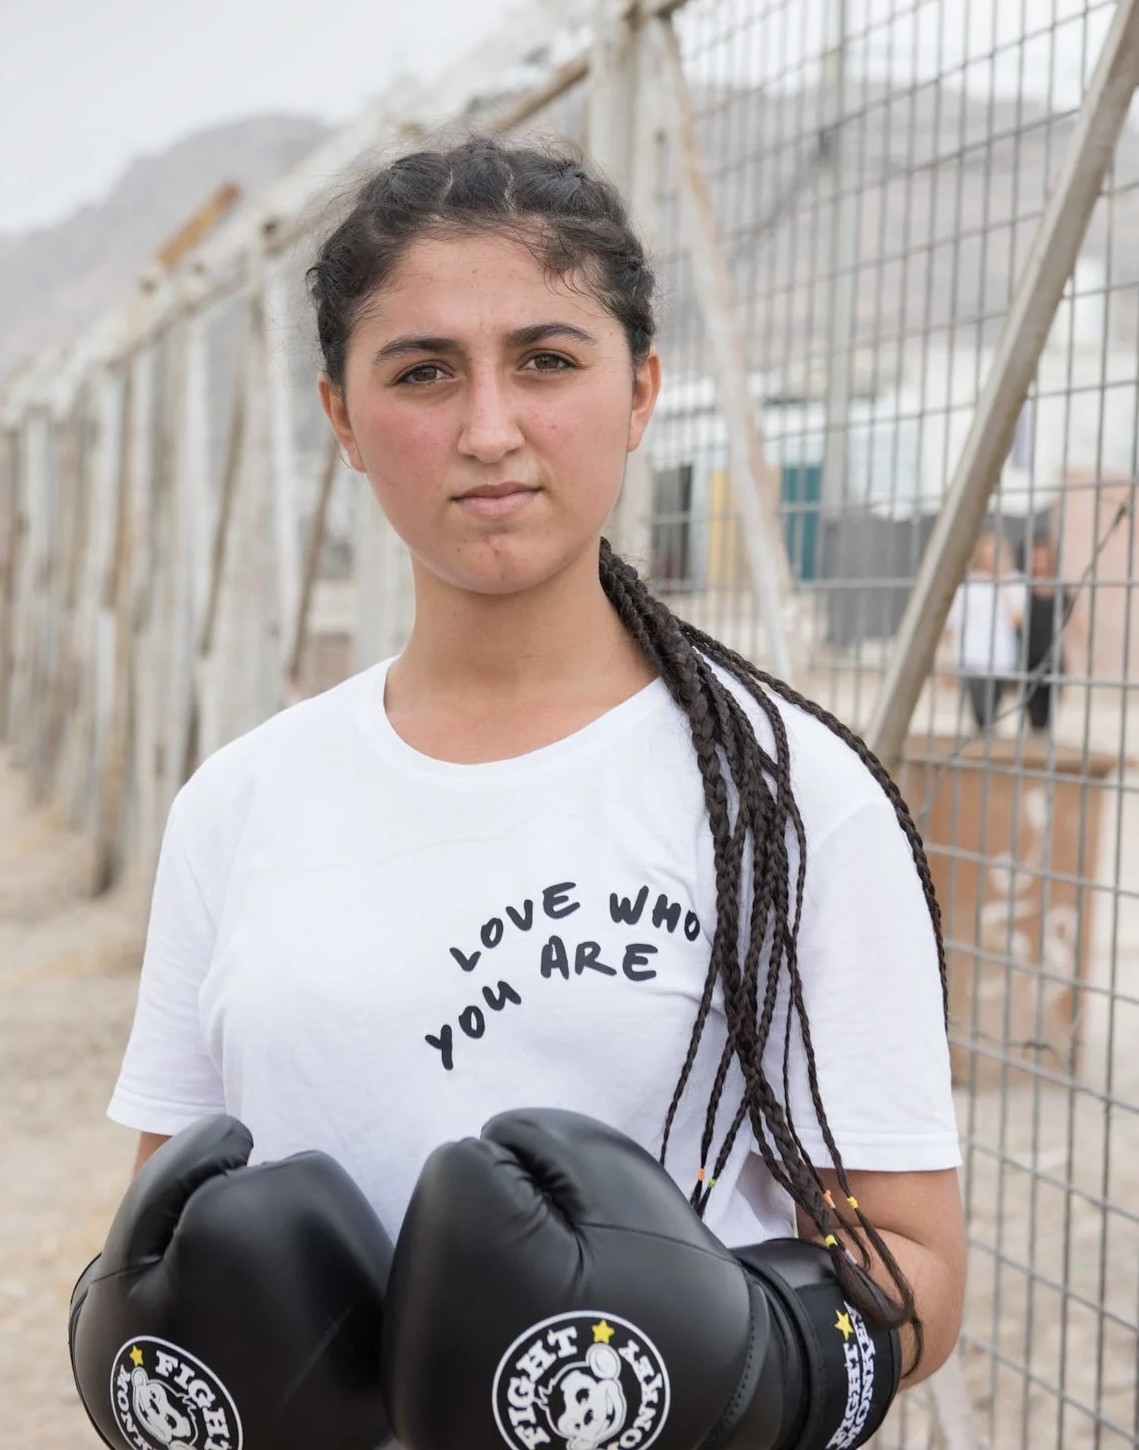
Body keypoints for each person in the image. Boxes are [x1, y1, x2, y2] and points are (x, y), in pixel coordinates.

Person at [103, 137, 965, 1430]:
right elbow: (164, 1227)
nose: (489, 429)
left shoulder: (792, 802)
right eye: (424, 372)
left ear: (638, 393)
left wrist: (728, 1369)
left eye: (547, 361)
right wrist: (172, 1362)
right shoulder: (240, 802)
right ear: (341, 416)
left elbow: (919, 1271)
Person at [947, 530, 1025, 734]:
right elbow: (953, 623)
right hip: (972, 656)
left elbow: (1017, 620)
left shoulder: (1014, 581)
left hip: (999, 658)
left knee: (994, 710)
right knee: (980, 711)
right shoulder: (968, 582)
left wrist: (1002, 583)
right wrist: (947, 658)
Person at [1023, 533, 1064, 732]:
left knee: (1048, 714)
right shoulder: (1023, 586)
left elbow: (1075, 623)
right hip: (1028, 659)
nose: (1039, 560)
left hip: (1052, 657)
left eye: (1043, 555)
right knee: (1033, 713)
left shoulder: (1059, 588)